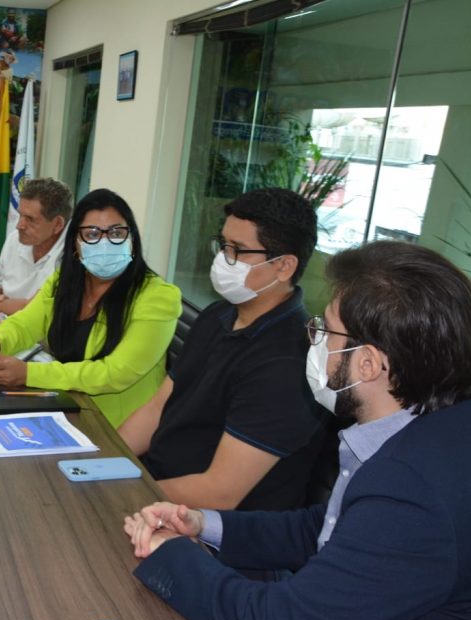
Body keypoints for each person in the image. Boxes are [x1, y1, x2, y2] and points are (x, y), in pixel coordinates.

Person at [125, 241, 471, 620]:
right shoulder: (424, 426)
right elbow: (329, 528)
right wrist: (201, 523)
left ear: (367, 364)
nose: (313, 341)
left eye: (325, 332)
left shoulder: (414, 489)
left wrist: (169, 552)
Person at [117, 187, 325, 511]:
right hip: (156, 488)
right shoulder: (218, 314)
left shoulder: (287, 362)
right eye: (223, 244)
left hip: (207, 529)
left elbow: (219, 493)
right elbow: (157, 408)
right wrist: (103, 467)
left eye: (238, 250)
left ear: (283, 266)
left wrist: (121, 495)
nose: (223, 259)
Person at [0, 189, 181, 427]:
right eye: (92, 234)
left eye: (116, 232)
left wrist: (28, 373)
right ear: (75, 242)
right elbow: (26, 323)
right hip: (64, 406)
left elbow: (115, 373)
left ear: (132, 239)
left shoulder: (158, 297)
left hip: (114, 428)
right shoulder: (64, 281)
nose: (105, 242)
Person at [0, 178, 73, 315]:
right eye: (20, 215)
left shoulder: (73, 253)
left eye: (30, 219)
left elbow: (37, 310)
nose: (19, 225)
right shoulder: (15, 239)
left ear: (57, 225)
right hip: (3, 327)